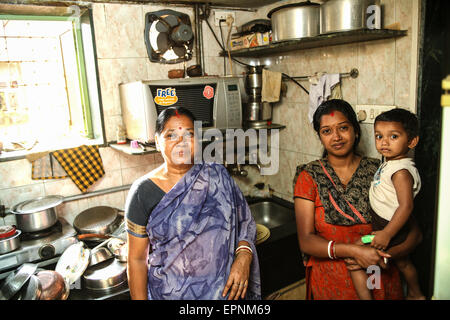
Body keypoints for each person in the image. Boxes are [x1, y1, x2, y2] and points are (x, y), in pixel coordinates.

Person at [125, 106, 261, 300]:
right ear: (157, 142)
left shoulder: (217, 175)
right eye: (171, 135)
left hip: (225, 295)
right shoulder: (142, 192)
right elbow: (137, 259)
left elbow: (245, 223)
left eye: (189, 134)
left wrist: (244, 256)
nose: (181, 142)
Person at [293, 99, 423, 300]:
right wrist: (355, 252)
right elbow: (306, 242)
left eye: (343, 128)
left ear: (355, 130)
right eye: (327, 131)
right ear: (320, 137)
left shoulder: (379, 171)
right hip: (329, 283)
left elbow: (414, 234)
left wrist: (381, 257)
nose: (336, 137)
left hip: (378, 277)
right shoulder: (309, 176)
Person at [350, 109, 425, 300]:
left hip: (391, 230)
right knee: (402, 263)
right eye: (379, 136)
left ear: (411, 141)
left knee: (357, 255)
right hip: (384, 227)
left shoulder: (401, 172)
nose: (384, 142)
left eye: (393, 136)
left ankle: (411, 294)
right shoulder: (391, 163)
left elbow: (406, 206)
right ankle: (414, 293)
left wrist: (387, 234)